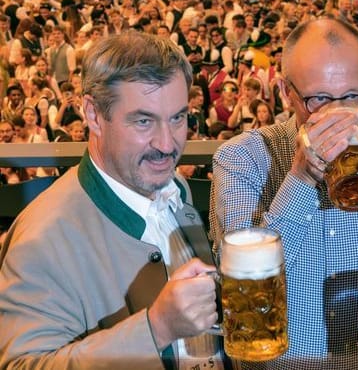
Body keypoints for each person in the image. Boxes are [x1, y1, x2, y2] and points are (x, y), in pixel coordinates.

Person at [0, 32, 224, 369]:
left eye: (178, 118)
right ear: (92, 114)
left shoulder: (176, 188)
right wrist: (155, 329)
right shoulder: (42, 238)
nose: (167, 144)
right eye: (143, 120)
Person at [210, 17, 358, 369]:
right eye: (318, 98)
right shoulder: (241, 159)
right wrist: (300, 178)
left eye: (352, 96)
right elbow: (240, 288)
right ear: (284, 91)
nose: (336, 115)